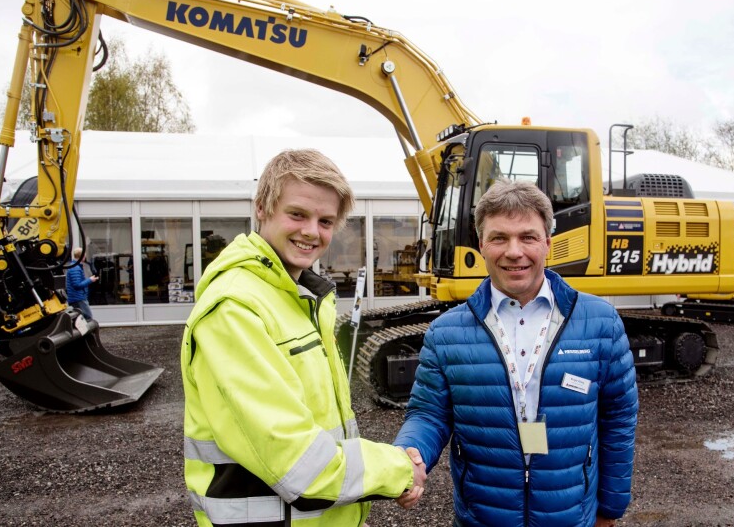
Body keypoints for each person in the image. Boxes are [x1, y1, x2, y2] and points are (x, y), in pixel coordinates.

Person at [180, 149, 425, 527]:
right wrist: (397, 469)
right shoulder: (236, 309)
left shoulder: (303, 300)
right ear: (261, 207)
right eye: (297, 214)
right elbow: (297, 460)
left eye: (325, 220)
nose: (312, 231)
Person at [394, 179, 639, 526]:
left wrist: (610, 508)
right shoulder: (447, 333)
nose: (514, 251)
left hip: (570, 515)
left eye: (527, 237)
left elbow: (618, 419)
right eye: (499, 238)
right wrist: (408, 457)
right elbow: (428, 415)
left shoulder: (601, 323)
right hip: (484, 516)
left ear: (548, 243)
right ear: (481, 244)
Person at [65, 247, 98, 321]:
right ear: (82, 256)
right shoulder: (75, 268)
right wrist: (90, 280)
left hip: (77, 297)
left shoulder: (75, 266)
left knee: (80, 319)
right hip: (78, 298)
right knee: (88, 318)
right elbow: (77, 285)